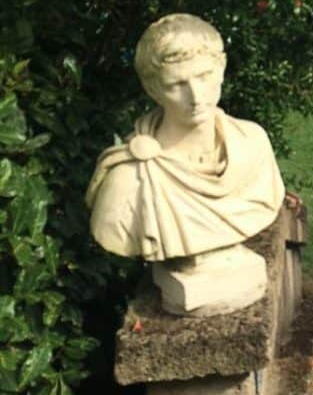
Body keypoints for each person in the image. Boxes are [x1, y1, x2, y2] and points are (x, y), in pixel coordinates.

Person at [86, 14, 284, 261]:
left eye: (204, 76)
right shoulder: (128, 181)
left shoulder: (253, 145)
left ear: (221, 70)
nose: (196, 96)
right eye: (176, 84)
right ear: (153, 89)